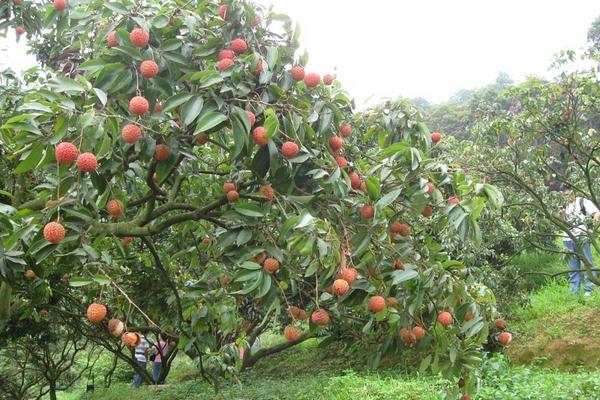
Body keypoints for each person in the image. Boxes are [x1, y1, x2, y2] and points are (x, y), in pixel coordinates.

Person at [559, 186, 600, 296]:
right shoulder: (565, 206)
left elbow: (596, 213)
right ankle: (574, 293)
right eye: (564, 195)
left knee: (588, 264)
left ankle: (589, 291)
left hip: (581, 237)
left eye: (567, 194)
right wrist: (562, 215)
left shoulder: (582, 201)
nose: (566, 197)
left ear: (573, 192)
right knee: (573, 268)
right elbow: (564, 224)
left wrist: (592, 229)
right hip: (568, 239)